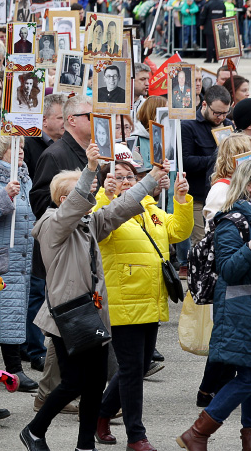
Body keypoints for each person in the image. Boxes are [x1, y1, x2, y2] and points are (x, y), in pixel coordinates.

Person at [22, 143, 164, 451]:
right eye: (82, 192)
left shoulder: (88, 223)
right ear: (64, 199)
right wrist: (89, 169)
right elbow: (73, 206)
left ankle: (85, 445)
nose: (92, 192)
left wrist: (151, 179)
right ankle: (34, 430)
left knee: (95, 383)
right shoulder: (51, 224)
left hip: (93, 314)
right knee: (73, 381)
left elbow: (121, 206)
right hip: (67, 315)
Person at [93, 146, 193, 447]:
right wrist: (104, 195)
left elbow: (178, 230)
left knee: (136, 365)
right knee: (133, 372)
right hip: (123, 299)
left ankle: (101, 413)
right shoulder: (107, 209)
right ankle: (136, 434)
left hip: (152, 298)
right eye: (119, 177)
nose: (126, 182)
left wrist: (180, 200)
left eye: (131, 176)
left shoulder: (149, 205)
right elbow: (98, 230)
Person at [178, 160, 251, 450]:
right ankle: (198, 431)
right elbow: (229, 270)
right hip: (241, 310)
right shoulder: (232, 221)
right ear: (247, 184)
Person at [0, 134, 39, 392]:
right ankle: (2, 370)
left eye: (22, 147)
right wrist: (4, 196)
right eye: (15, 148)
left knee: (11, 315)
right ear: (0, 151)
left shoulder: (25, 178)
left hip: (20, 261)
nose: (21, 152)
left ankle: (7, 368)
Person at [181, 85, 233, 244]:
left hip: (224, 196)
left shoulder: (228, 124)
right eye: (217, 113)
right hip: (197, 197)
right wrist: (216, 159)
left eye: (225, 112)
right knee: (202, 243)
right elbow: (186, 161)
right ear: (204, 105)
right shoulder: (188, 126)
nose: (221, 117)